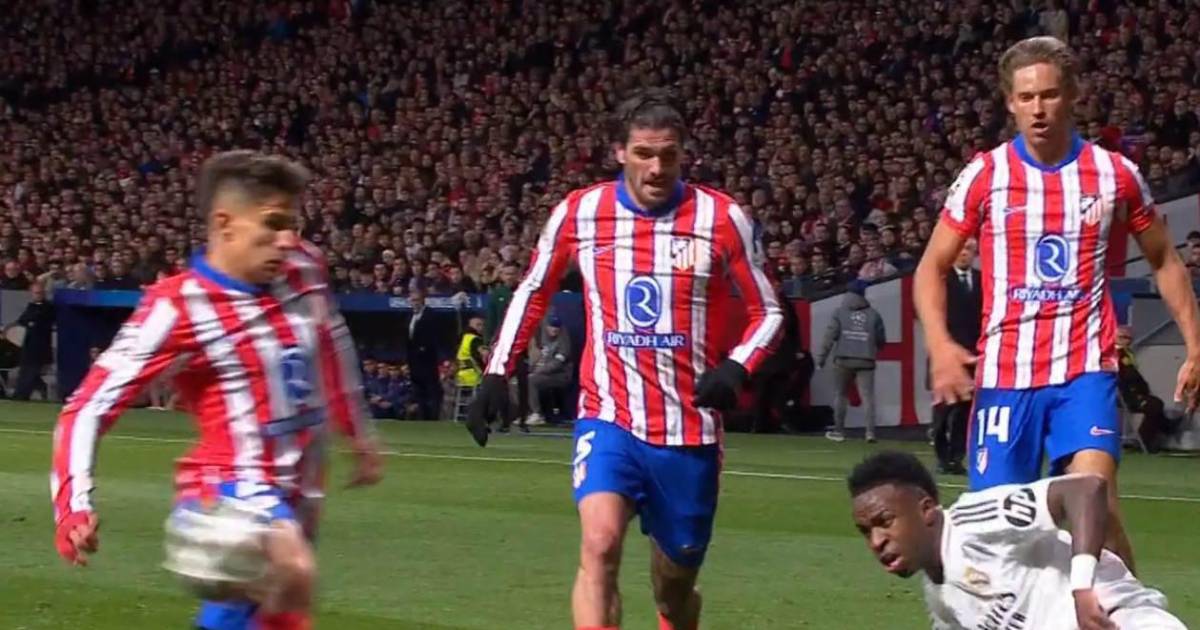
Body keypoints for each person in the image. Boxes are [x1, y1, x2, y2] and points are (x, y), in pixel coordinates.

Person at [465, 89, 783, 630]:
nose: (656, 167)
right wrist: (498, 369)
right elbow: (534, 289)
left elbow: (769, 311)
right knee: (600, 544)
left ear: (683, 154)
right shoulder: (580, 212)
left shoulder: (721, 217)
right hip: (609, 415)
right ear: (619, 152)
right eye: (643, 153)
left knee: (673, 589)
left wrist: (737, 366)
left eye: (668, 155)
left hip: (687, 431)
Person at [49, 151, 384, 630]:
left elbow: (330, 340)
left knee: (258, 612)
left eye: (293, 225)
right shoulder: (178, 307)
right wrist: (73, 505)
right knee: (291, 570)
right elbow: (88, 407)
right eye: (273, 224)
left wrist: (356, 430)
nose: (288, 240)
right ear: (225, 224)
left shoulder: (305, 268)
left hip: (301, 482)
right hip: (227, 483)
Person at [914, 36, 1200, 574]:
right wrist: (941, 345)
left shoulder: (1114, 174)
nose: (1038, 109)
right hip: (1005, 376)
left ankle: (1129, 610)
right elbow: (931, 266)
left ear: (1072, 95)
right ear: (1010, 102)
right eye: (1026, 97)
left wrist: (1195, 343)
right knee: (1000, 536)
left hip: (1083, 370)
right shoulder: (986, 175)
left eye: (1049, 94)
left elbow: (1164, 258)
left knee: (1096, 505)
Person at [847, 451, 1185, 630]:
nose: (876, 542)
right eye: (865, 531)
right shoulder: (941, 599)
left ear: (926, 510)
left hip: (1119, 619)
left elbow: (1085, 489)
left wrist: (1081, 590)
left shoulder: (973, 520)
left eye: (885, 522)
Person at [931, 238, 982, 475]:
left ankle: (956, 458)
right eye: (961, 249)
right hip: (946, 354)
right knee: (943, 410)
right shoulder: (940, 280)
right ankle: (942, 456)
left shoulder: (982, 280)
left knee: (965, 412)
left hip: (973, 356)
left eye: (969, 249)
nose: (964, 253)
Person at [816, 279, 885, 443]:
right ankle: (870, 433)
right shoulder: (873, 314)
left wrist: (821, 358)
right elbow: (881, 339)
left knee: (841, 395)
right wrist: (873, 348)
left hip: (843, 359)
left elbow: (829, 336)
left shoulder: (839, 312)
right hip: (866, 360)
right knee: (868, 397)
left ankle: (839, 431)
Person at [5, 280, 55, 400]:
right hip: (28, 345)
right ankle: (24, 393)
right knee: (25, 372)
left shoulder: (48, 308)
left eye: (41, 293)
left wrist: (30, 323)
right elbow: (23, 320)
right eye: (36, 293)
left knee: (30, 372)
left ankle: (21, 395)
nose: (39, 295)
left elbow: (37, 322)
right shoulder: (31, 306)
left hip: (40, 347)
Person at [527, 313, 573, 425]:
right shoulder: (544, 339)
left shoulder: (563, 342)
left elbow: (557, 363)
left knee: (532, 380)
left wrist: (538, 371)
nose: (554, 329)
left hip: (561, 375)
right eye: (552, 326)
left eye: (556, 327)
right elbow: (541, 357)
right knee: (519, 380)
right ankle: (524, 413)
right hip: (546, 373)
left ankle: (536, 414)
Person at [406, 288, 443, 420]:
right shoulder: (409, 316)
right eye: (412, 300)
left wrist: (423, 349)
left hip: (427, 360)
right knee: (418, 391)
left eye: (417, 300)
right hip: (414, 361)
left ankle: (433, 417)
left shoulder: (430, 315)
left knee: (431, 390)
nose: (414, 303)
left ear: (423, 300)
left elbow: (433, 336)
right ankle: (422, 417)